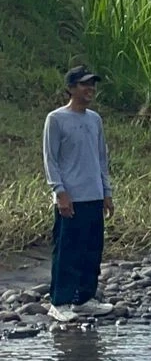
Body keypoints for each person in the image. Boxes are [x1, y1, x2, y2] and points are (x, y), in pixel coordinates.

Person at [43, 65, 115, 324]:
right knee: (67, 250)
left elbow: (101, 158)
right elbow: (50, 160)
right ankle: (59, 302)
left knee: (91, 250)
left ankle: (84, 299)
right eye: (85, 84)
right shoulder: (56, 119)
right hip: (70, 197)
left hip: (93, 195)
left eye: (92, 84)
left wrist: (107, 192)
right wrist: (60, 192)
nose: (90, 89)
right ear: (71, 88)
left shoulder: (94, 119)